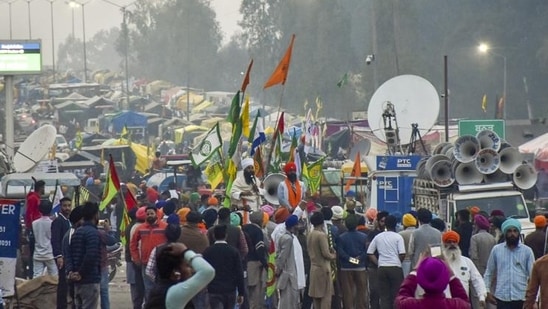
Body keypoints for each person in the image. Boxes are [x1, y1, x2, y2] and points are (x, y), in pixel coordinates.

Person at [145, 242, 215, 309]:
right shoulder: (174, 293)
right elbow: (208, 272)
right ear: (176, 272)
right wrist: (185, 251)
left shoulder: (158, 292)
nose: (192, 270)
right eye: (188, 266)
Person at [483, 218, 535, 308]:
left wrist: (533, 298)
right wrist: (486, 291)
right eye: (509, 231)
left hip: (521, 297)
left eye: (515, 231)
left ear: (518, 233)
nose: (512, 234)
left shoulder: (527, 251)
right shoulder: (496, 250)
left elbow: (533, 276)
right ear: (505, 233)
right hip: (502, 297)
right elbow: (489, 272)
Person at [395, 256, 471, 308]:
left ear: (421, 280)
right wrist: (451, 274)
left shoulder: (410, 305)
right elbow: (464, 300)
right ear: (445, 280)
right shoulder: (456, 305)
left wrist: (415, 270)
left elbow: (403, 293)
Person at [68, 202, 102, 309]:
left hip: (77, 282)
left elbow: (70, 255)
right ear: (96, 215)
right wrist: (81, 273)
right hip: (89, 280)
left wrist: (73, 273)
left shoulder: (77, 232)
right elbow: (91, 256)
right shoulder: (93, 233)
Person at [367, 215, 405, 309]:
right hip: (395, 268)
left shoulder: (378, 237)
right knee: (396, 294)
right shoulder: (398, 237)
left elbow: (370, 252)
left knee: (384, 296)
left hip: (382, 268)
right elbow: (402, 253)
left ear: (385, 225)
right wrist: (397, 261)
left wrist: (378, 262)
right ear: (395, 224)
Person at [440, 231, 487, 307]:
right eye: (449, 242)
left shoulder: (467, 262)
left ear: (457, 243)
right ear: (444, 244)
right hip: (444, 304)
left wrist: (481, 296)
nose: (452, 244)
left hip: (462, 304)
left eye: (454, 242)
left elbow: (477, 279)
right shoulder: (439, 263)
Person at [203, 224, 246, 309]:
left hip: (213, 289)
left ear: (213, 236)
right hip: (230, 289)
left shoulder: (208, 251)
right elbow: (239, 272)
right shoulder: (233, 251)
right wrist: (241, 292)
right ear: (226, 235)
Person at [130, 206, 168, 300]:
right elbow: (133, 244)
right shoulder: (140, 228)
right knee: (148, 289)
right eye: (147, 214)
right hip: (146, 263)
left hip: (161, 263)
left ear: (156, 214)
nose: (150, 216)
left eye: (152, 213)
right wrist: (136, 258)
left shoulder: (165, 227)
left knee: (162, 288)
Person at [337, 214, 368, 309]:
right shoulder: (364, 236)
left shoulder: (341, 237)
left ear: (346, 224)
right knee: (361, 291)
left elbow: (340, 252)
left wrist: (351, 259)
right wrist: (358, 260)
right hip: (360, 267)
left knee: (347, 292)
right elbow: (366, 251)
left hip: (346, 268)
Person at [307, 211, 337, 309]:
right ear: (322, 222)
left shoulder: (310, 234)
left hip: (313, 269)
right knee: (326, 298)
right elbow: (326, 254)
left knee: (316, 298)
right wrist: (334, 255)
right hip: (323, 269)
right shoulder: (321, 235)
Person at [276, 215, 305, 309]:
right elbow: (282, 257)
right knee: (288, 303)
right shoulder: (288, 239)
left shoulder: (290, 237)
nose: (299, 227)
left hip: (290, 275)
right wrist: (278, 270)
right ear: (293, 226)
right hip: (288, 276)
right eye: (297, 224)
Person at [242, 210, 268, 309]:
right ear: (261, 221)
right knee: (255, 290)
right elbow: (259, 249)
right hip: (254, 263)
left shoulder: (244, 228)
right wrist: (265, 263)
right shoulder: (258, 231)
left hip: (244, 262)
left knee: (246, 289)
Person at [51, 197, 72, 309]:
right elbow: (55, 240)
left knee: (67, 282)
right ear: (61, 207)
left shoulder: (69, 220)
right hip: (62, 257)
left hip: (68, 256)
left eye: (69, 205)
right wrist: (59, 255)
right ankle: (61, 306)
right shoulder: (58, 221)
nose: (67, 208)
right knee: (63, 283)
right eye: (65, 206)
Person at [33, 201, 58, 277]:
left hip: (37, 254)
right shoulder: (53, 223)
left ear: (40, 210)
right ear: (50, 210)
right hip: (50, 254)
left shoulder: (34, 223)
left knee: (36, 277)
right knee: (54, 277)